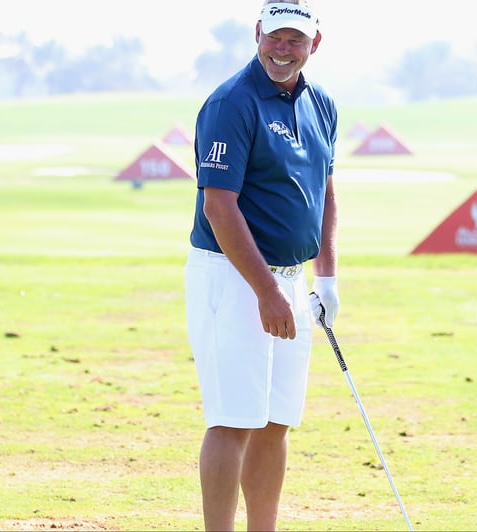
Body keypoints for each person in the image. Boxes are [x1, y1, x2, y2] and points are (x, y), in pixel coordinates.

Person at [184, 0, 338, 529]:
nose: (283, 49)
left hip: (292, 280)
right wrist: (265, 293)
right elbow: (218, 205)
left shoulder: (322, 104)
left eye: (296, 40)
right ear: (257, 35)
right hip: (233, 278)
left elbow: (324, 191)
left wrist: (327, 275)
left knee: (275, 422)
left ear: (314, 44)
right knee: (233, 420)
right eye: (275, 37)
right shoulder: (232, 102)